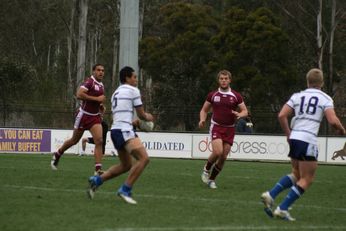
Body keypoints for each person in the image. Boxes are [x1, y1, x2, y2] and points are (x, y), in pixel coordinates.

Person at [261, 68, 346, 221]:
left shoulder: (297, 96)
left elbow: (281, 115)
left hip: (295, 137)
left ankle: (271, 195)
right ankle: (283, 208)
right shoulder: (325, 98)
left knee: (297, 174)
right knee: (307, 178)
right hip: (308, 139)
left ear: (307, 82)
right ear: (322, 83)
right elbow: (333, 121)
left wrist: (288, 134)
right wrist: (341, 129)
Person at [87, 66, 154, 204]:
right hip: (124, 131)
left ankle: (98, 180)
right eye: (134, 77)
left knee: (126, 165)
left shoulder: (115, 93)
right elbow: (141, 114)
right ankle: (125, 189)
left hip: (116, 131)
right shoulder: (133, 91)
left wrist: (135, 123)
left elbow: (121, 114)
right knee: (144, 159)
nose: (136, 79)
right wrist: (148, 118)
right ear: (127, 78)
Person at [50, 64, 106, 175]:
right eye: (98, 70)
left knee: (99, 140)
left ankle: (98, 170)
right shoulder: (90, 82)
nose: (101, 72)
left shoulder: (101, 85)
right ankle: (57, 154)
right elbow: (79, 94)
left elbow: (97, 101)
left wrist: (100, 106)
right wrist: (97, 99)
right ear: (94, 71)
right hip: (83, 116)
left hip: (95, 117)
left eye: (103, 70)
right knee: (74, 141)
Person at [199, 70, 248, 189]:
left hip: (230, 129)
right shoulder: (213, 95)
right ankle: (206, 169)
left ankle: (211, 180)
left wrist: (240, 114)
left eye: (226, 78)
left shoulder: (236, 96)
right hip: (216, 126)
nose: (224, 80)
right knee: (217, 152)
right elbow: (204, 110)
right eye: (221, 78)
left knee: (223, 157)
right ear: (218, 80)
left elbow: (245, 111)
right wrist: (202, 120)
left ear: (230, 80)